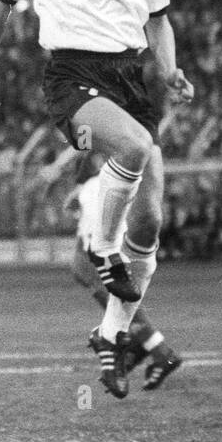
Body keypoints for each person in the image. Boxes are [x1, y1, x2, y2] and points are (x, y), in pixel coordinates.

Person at [0, 0, 194, 400]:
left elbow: (159, 19)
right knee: (135, 150)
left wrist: (169, 70)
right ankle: (99, 246)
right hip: (72, 77)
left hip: (132, 77)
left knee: (148, 226)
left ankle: (113, 336)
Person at [65, 151, 182, 390]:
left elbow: (71, 208)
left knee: (122, 311)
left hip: (95, 255)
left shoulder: (87, 187)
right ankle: (145, 349)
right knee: (123, 309)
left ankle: (160, 352)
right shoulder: (119, 183)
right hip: (120, 252)